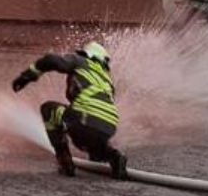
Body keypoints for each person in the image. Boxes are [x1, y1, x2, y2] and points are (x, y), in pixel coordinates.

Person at [12, 41, 127, 179]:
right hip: (109, 126)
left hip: (84, 119)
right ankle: (115, 156)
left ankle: (64, 160)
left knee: (48, 109)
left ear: (88, 54)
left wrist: (27, 76)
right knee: (92, 146)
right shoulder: (107, 80)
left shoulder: (81, 61)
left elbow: (51, 60)